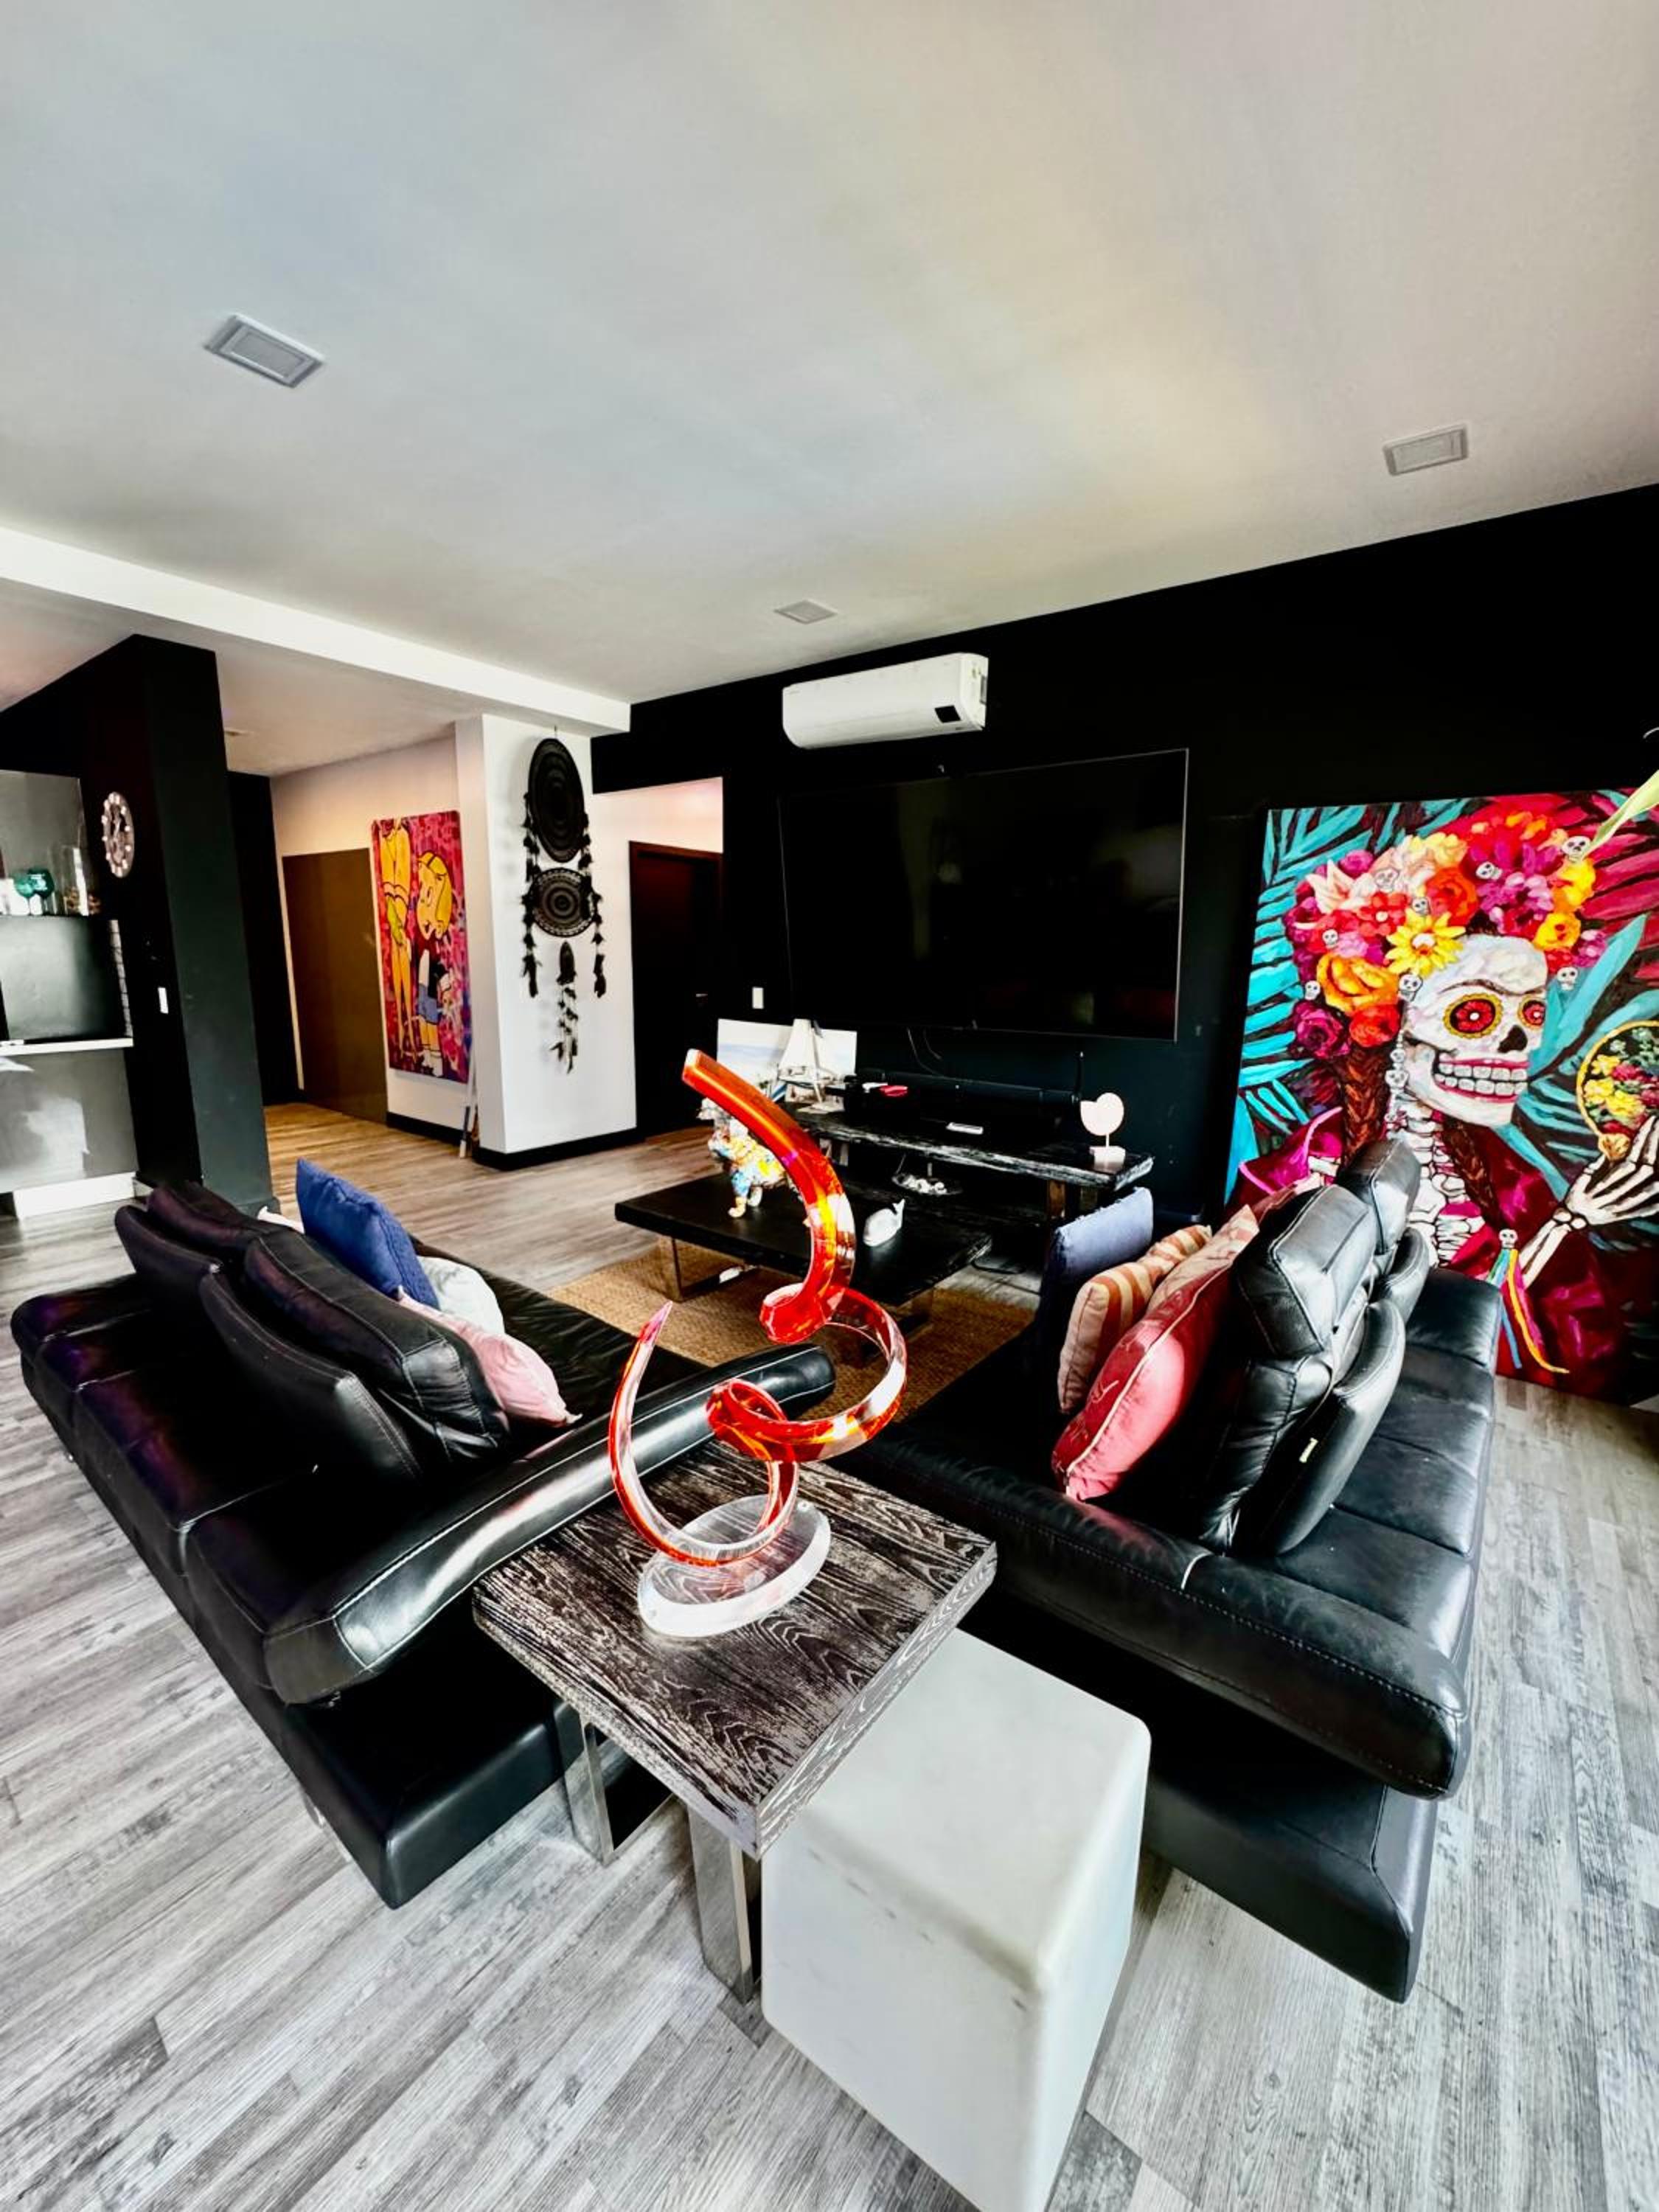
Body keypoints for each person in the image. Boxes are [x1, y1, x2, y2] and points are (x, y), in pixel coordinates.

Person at [1240, 797, 1659, 1393]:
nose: (1517, 1045)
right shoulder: (1313, 1162)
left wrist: (1568, 1222)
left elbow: (1482, 1320)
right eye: (1474, 1013)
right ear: (1391, 1024)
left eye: (1531, 1013)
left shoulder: (1509, 1182)